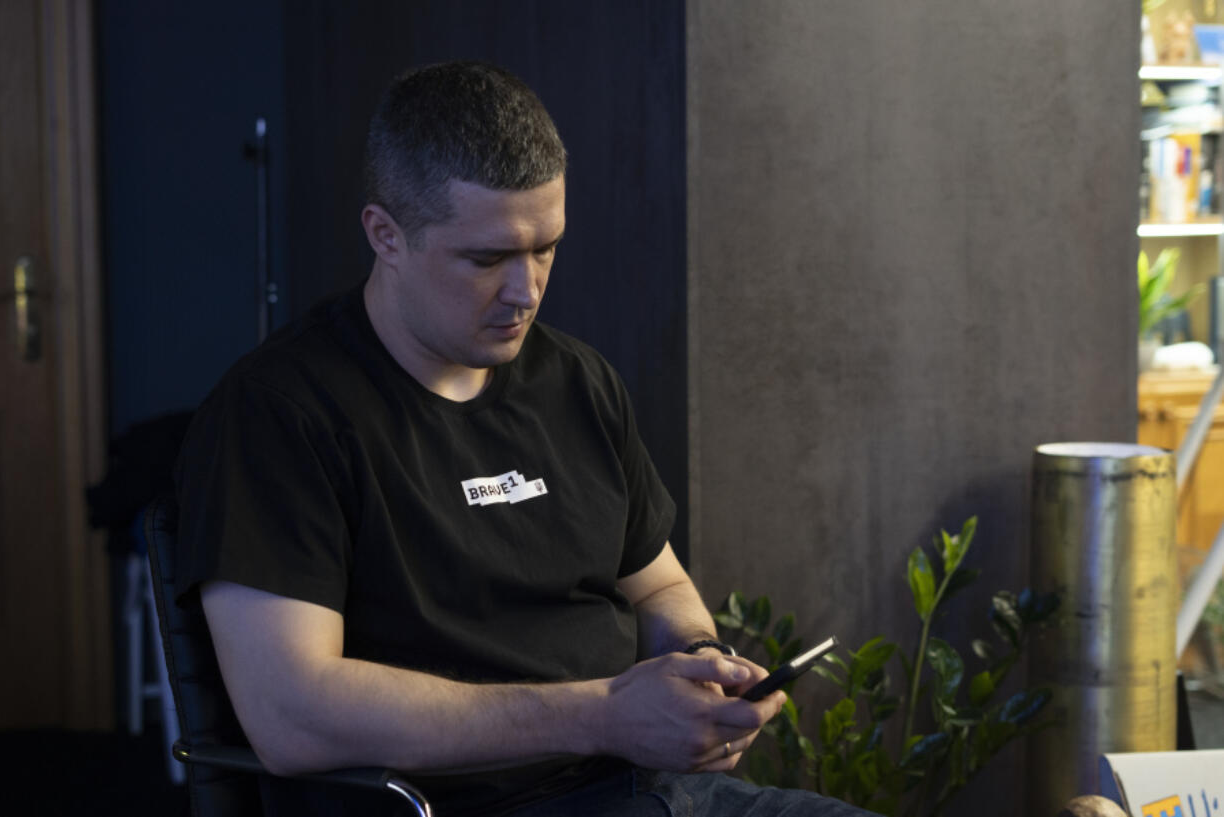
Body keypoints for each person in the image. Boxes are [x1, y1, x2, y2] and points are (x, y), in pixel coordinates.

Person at [174, 60, 869, 817]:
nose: (526, 290)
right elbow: (292, 717)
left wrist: (701, 666)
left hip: (659, 792)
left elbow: (660, 584)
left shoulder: (576, 382)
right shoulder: (280, 414)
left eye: (546, 248)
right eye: (488, 258)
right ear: (386, 234)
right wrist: (603, 711)